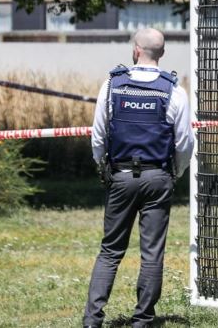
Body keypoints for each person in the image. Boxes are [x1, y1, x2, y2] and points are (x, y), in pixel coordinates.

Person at [83, 28, 194, 328]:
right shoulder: (174, 90)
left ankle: (93, 319)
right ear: (162, 53)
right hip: (158, 176)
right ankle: (143, 319)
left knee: (110, 250)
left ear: (135, 51)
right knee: (152, 251)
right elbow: (184, 143)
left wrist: (102, 166)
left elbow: (98, 136)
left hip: (120, 175)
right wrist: (175, 172)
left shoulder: (112, 85)